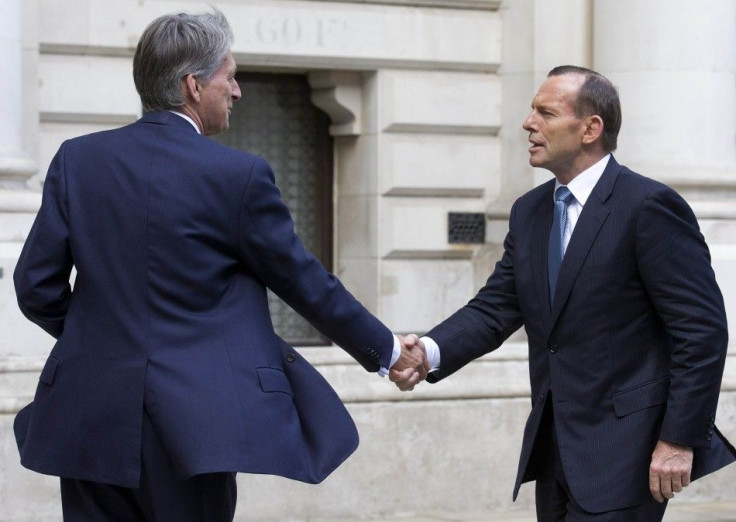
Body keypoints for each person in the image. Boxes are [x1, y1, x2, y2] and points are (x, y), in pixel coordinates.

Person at [13, 8, 427, 521]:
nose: (237, 92)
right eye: (229, 78)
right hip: (193, 429)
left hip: (88, 416)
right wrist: (389, 351)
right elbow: (305, 283)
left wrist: (98, 337)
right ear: (193, 85)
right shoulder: (238, 176)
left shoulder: (77, 160)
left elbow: (35, 286)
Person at [391, 65, 735, 521]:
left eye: (545, 112)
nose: (528, 123)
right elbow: (495, 309)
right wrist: (428, 353)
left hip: (629, 453)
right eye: (531, 110)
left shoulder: (648, 206)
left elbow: (702, 332)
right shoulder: (530, 211)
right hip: (553, 451)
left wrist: (678, 439)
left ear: (591, 128)